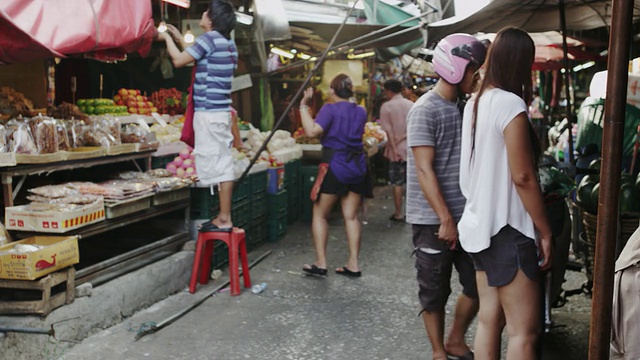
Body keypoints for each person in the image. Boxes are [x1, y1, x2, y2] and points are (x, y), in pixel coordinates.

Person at [458, 27, 553, 360]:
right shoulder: (510, 103)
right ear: (522, 63)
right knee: (523, 334)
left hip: (479, 226)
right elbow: (524, 176)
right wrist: (544, 229)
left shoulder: (476, 102)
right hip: (509, 229)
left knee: (488, 322)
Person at [405, 33, 487, 360]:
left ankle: (455, 338)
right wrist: (445, 218)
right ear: (454, 68)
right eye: (473, 69)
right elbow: (424, 170)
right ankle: (439, 351)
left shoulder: (465, 107)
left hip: (467, 217)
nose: (477, 76)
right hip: (433, 221)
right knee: (434, 290)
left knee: (478, 284)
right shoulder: (424, 110)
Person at [157, 0, 238, 232]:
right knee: (221, 161)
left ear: (212, 19)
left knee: (220, 165)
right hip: (220, 112)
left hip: (209, 113)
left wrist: (166, 40)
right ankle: (223, 215)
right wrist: (179, 39)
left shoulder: (209, 39)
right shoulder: (227, 43)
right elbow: (196, 55)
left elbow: (179, 60)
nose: (202, 13)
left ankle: (224, 217)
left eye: (206, 12)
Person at [299, 74, 369, 277]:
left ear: (332, 91)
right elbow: (351, 109)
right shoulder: (361, 111)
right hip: (357, 167)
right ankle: (354, 264)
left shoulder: (329, 109)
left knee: (320, 214)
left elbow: (312, 131)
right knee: (351, 216)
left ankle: (321, 263)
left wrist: (304, 106)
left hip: (335, 165)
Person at [379, 79, 413, 221]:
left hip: (396, 151)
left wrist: (395, 148)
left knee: (397, 182)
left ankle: (399, 212)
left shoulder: (386, 107)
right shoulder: (412, 105)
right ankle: (413, 213)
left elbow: (389, 132)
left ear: (389, 91)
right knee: (413, 182)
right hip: (412, 149)